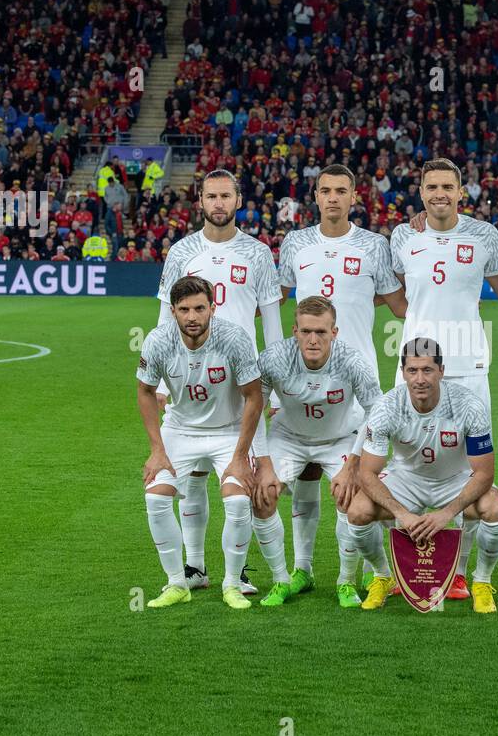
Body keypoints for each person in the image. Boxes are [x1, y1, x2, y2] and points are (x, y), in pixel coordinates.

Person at [153, 168, 284, 595]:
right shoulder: (181, 251)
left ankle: (238, 571)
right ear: (201, 201)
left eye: (226, 196)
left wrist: (277, 382)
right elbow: (163, 316)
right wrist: (158, 384)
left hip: (243, 382)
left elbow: (275, 325)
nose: (218, 203)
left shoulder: (259, 253)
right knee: (190, 480)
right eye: (211, 196)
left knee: (243, 480)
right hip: (191, 378)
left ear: (238, 200)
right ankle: (193, 567)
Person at [277, 164, 408, 586]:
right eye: (325, 190)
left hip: (359, 379)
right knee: (307, 471)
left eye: (341, 191)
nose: (333, 197)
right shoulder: (295, 243)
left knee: (354, 481)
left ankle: (358, 577)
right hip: (304, 376)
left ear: (355, 197)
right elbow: (269, 301)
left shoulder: (373, 245)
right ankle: (303, 570)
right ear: (315, 197)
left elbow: (401, 303)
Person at [394, 158, 498, 599]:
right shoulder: (404, 235)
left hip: (468, 366)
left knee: (464, 469)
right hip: (415, 363)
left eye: (447, 186)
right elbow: (400, 296)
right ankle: (406, 568)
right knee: (409, 461)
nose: (439, 194)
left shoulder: (484, 236)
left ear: (462, 192)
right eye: (431, 187)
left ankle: (457, 572)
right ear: (420, 192)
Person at [135, 275, 281, 609]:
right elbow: (144, 391)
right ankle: (177, 583)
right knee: (156, 496)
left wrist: (242, 455)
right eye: (184, 309)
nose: (192, 316)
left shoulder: (234, 339)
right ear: (172, 311)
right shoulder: (158, 341)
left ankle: (232, 583)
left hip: (228, 431)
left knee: (237, 500)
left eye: (199, 308)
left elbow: (253, 397)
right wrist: (157, 450)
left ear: (212, 308)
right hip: (180, 429)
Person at [345, 338, 498, 612]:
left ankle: (481, 582)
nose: (420, 379)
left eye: (427, 370)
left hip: (455, 479)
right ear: (403, 372)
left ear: (441, 371)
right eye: (412, 371)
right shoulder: (387, 407)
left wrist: (446, 513)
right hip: (406, 480)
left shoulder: (468, 405)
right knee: (358, 511)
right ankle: (382, 576)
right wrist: (403, 514)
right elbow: (368, 473)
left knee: (494, 508)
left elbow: (484, 473)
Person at [255, 296, 384, 608]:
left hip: (340, 437)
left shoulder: (352, 362)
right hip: (290, 437)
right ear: (294, 330)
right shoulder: (274, 358)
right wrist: (263, 462)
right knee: (262, 495)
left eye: (322, 332)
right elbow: (253, 407)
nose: (313, 340)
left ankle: (346, 581)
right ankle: (285, 578)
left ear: (334, 332)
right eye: (306, 331)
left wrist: (353, 465)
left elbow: (377, 413)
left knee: (349, 497)